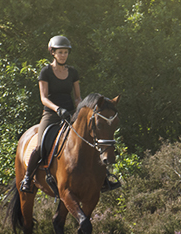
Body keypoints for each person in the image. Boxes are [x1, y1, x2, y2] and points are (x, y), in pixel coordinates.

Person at [20, 35, 121, 193]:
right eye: (60, 52)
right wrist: (57, 109)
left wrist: (80, 111)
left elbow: (77, 97)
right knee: (41, 146)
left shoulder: (72, 72)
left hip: (71, 114)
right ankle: (27, 177)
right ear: (53, 53)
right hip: (51, 114)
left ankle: (104, 178)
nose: (63, 55)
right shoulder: (46, 72)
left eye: (66, 52)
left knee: (92, 140)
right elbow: (44, 98)